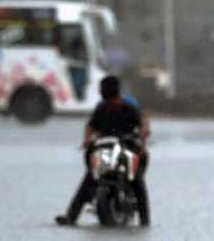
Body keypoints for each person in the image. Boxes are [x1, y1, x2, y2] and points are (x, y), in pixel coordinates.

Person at [55, 75, 151, 226]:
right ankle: (71, 217)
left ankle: (145, 220)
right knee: (89, 178)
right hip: (104, 148)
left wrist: (143, 137)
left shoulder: (128, 107)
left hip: (126, 147)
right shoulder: (101, 108)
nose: (100, 90)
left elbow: (143, 122)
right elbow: (90, 125)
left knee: (137, 180)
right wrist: (87, 140)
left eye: (101, 88)